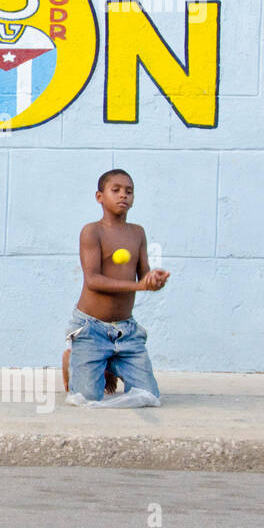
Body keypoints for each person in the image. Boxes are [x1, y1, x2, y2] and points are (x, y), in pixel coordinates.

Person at [60, 169, 169, 403]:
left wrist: (154, 281)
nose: (123, 196)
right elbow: (94, 280)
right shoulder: (92, 231)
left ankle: (108, 362)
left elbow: (144, 275)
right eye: (116, 190)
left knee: (149, 396)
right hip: (91, 327)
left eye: (129, 191)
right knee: (86, 398)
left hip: (125, 331)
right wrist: (139, 286)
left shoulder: (137, 233)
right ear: (99, 197)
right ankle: (74, 356)